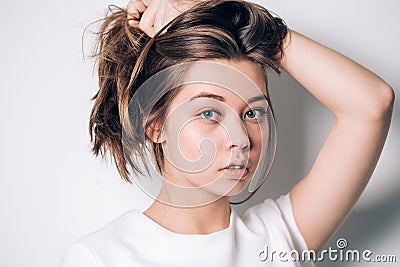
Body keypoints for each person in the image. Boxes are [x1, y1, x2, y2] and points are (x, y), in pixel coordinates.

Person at [61, 0, 394, 266]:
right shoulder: (100, 258)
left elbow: (372, 104)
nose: (241, 138)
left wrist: (215, 10)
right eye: (209, 112)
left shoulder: (278, 240)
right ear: (155, 125)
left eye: (252, 112)